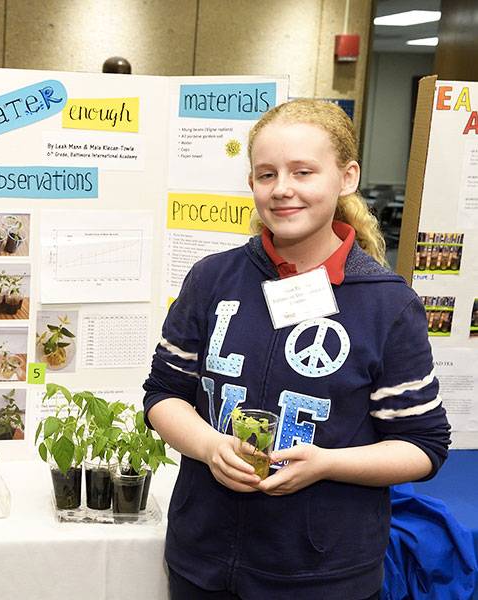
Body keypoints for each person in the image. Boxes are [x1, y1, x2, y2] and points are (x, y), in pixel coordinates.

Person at [143, 99, 451, 600]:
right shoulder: (212, 279)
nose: (282, 189)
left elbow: (424, 446)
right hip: (202, 562)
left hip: (322, 575)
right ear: (252, 184)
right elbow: (162, 394)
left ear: (346, 177)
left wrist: (328, 463)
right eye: (266, 174)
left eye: (303, 172)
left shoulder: (387, 304)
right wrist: (210, 446)